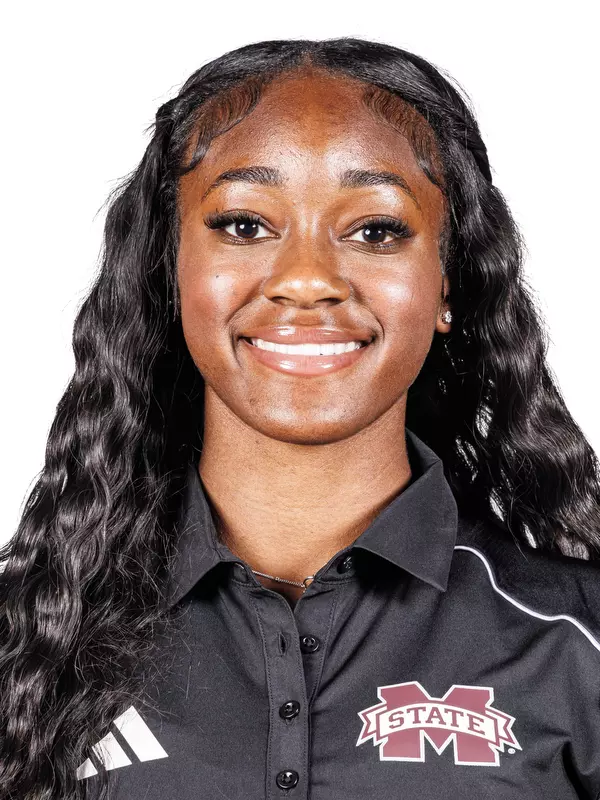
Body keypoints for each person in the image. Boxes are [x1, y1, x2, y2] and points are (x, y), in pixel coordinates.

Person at [2, 36, 600, 800]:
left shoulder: (575, 641)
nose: (309, 280)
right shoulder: (31, 642)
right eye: (245, 225)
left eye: (376, 230)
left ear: (450, 281)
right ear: (169, 271)